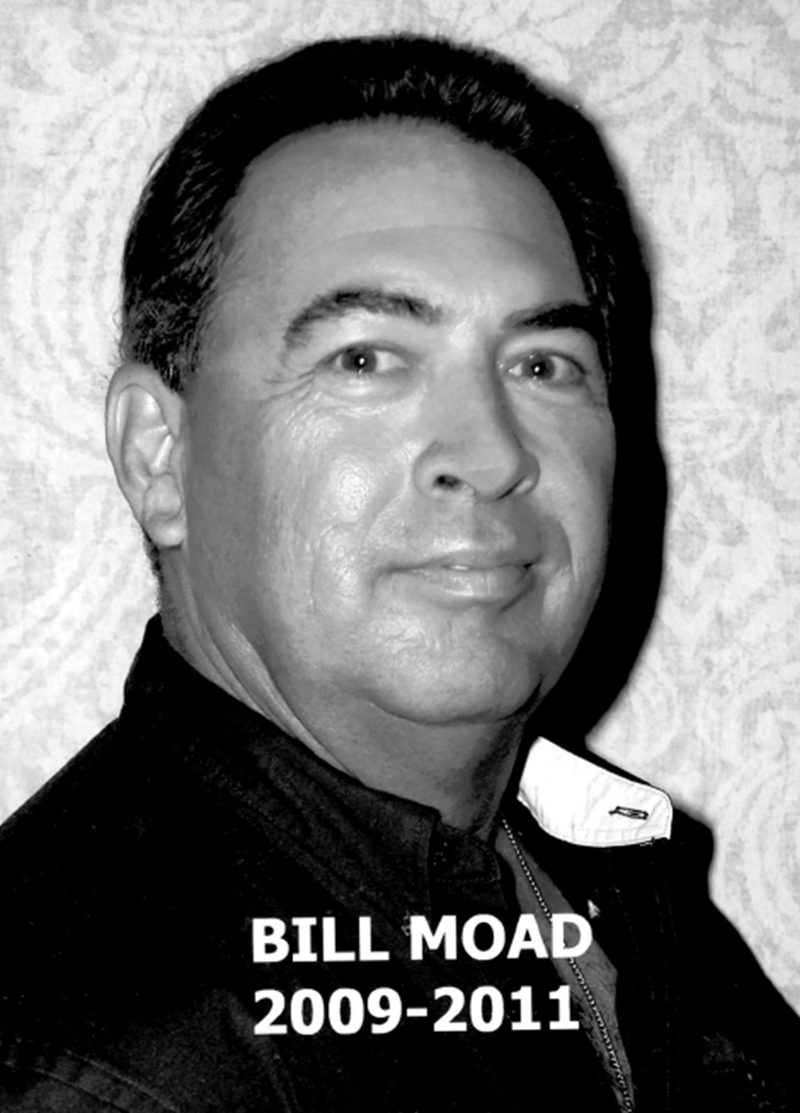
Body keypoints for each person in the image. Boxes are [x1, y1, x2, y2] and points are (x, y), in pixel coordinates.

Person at [0, 33, 797, 1112]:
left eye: (543, 364)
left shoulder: (608, 890)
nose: (492, 454)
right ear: (159, 456)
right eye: (365, 358)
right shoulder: (96, 1066)